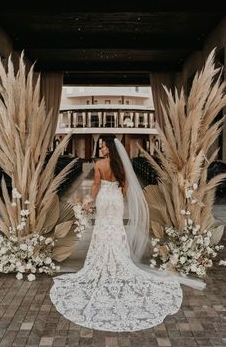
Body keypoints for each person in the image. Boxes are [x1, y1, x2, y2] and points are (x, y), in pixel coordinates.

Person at [50, 134, 206, 332]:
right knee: (115, 228)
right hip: (114, 198)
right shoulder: (122, 164)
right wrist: (119, 196)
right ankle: (119, 259)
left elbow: (96, 185)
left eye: (103, 146)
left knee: (102, 229)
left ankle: (102, 262)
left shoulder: (99, 164)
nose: (102, 149)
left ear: (109, 147)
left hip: (104, 198)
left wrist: (89, 202)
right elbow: (126, 185)